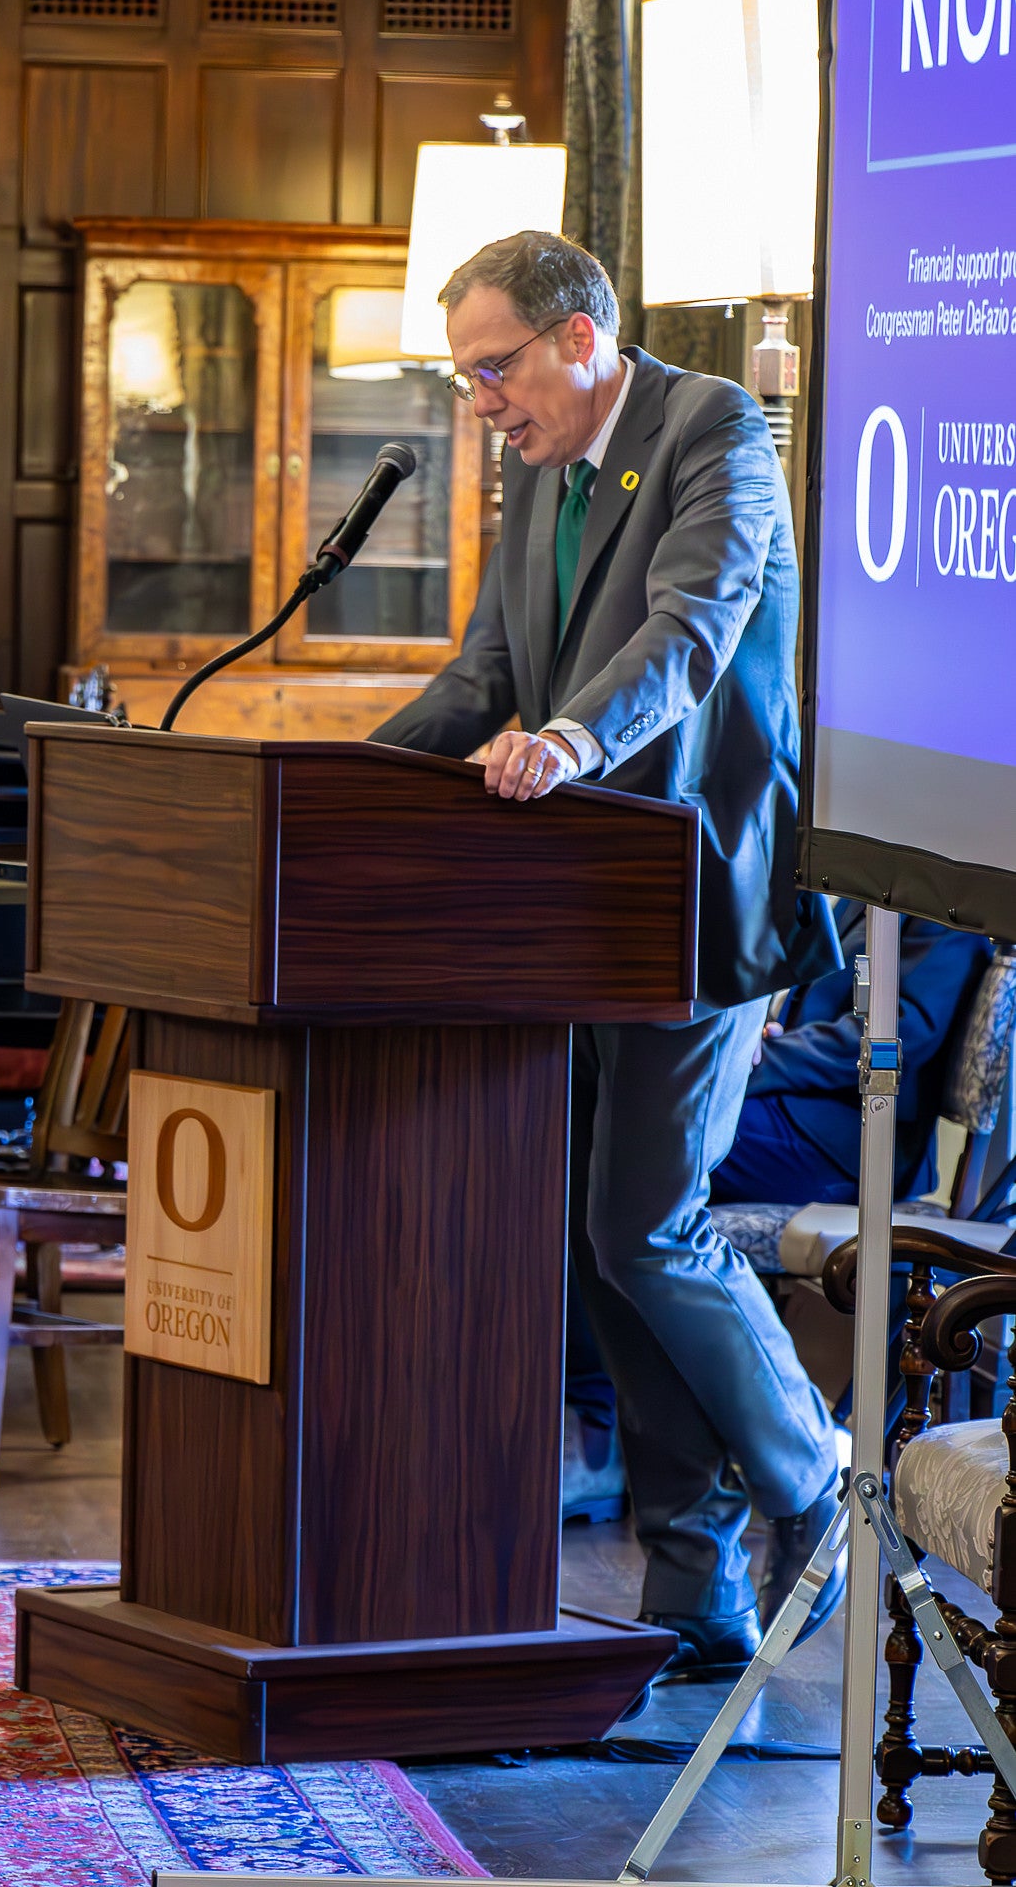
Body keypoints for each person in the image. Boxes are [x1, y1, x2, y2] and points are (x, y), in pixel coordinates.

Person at [369, 229, 843, 1679]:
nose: (480, 403)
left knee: (646, 1220)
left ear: (584, 339)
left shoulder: (712, 427)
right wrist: (331, 789)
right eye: (465, 378)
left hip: (689, 889)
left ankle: (813, 1478)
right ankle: (692, 1584)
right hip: (567, 909)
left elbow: (691, 628)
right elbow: (483, 676)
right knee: (603, 1245)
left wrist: (572, 739)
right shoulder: (536, 474)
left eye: (493, 368)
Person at [712, 901, 992, 1207]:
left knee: (680, 1133)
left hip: (849, 1139)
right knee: (677, 1114)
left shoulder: (945, 908)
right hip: (796, 1101)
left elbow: (893, 1039)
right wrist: (756, 1032)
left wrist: (764, 1059)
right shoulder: (865, 879)